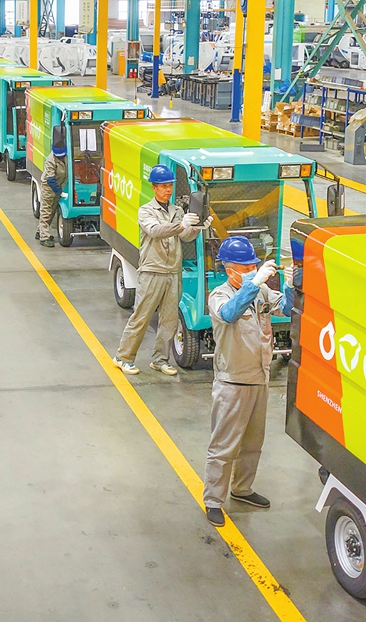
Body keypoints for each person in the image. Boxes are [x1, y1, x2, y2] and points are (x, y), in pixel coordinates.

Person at [202, 236, 294, 525]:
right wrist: (254, 284)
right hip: (232, 383)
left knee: (253, 442)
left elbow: (287, 310)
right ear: (230, 270)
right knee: (224, 446)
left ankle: (241, 488)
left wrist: (291, 285)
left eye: (254, 266)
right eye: (247, 267)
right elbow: (230, 315)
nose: (253, 271)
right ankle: (213, 500)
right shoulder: (219, 296)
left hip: (259, 379)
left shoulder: (261, 292)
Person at [111, 164, 206, 376]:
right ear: (154, 188)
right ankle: (123, 357)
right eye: (163, 186)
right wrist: (182, 225)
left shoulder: (176, 211)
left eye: (169, 186)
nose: (167, 190)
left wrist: (197, 228)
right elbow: (155, 231)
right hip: (152, 271)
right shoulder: (146, 211)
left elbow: (184, 237)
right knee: (141, 316)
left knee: (169, 320)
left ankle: (160, 360)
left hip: (173, 272)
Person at [35, 138, 67, 248]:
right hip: (49, 188)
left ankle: (40, 232)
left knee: (52, 211)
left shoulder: (66, 157)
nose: (61, 157)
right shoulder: (50, 160)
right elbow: (50, 179)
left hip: (58, 186)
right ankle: (44, 238)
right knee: (46, 211)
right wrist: (60, 192)